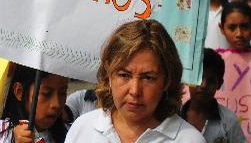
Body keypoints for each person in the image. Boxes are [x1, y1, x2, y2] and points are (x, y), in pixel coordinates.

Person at [65, 19, 205, 142]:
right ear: (108, 75)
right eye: (124, 75)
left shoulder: (189, 139)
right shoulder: (83, 129)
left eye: (148, 78)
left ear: (167, 81)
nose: (135, 91)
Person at [0, 64, 68, 143]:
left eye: (62, 93)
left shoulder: (72, 135)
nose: (57, 104)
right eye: (46, 94)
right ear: (19, 91)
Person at [181, 48, 246, 142]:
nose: (203, 85)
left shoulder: (229, 121)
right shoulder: (174, 116)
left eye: (211, 81)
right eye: (198, 78)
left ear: (219, 84)